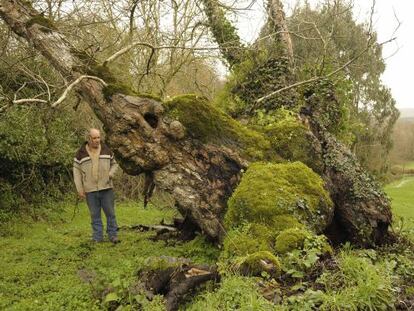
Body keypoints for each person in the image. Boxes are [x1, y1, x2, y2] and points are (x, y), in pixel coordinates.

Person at [73, 128, 120, 244]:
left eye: (98, 137)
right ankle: (97, 237)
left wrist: (111, 174)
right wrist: (80, 189)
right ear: (89, 139)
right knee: (95, 215)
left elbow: (115, 164)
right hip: (90, 189)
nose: (97, 140)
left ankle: (113, 235)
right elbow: (76, 173)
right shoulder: (80, 154)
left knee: (110, 213)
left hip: (106, 187)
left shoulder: (106, 150)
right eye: (94, 138)